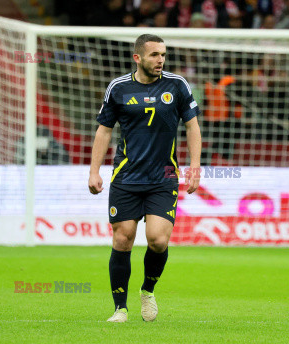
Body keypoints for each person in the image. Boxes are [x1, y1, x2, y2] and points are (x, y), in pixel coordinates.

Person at [88, 34, 202, 323]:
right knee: (123, 239)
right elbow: (104, 130)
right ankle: (120, 308)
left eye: (163, 54)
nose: (160, 60)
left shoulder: (176, 85)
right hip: (126, 177)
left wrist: (195, 166)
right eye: (154, 55)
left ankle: (148, 291)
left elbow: (192, 126)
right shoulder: (118, 88)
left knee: (158, 240)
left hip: (163, 177)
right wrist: (94, 171)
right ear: (137, 58)